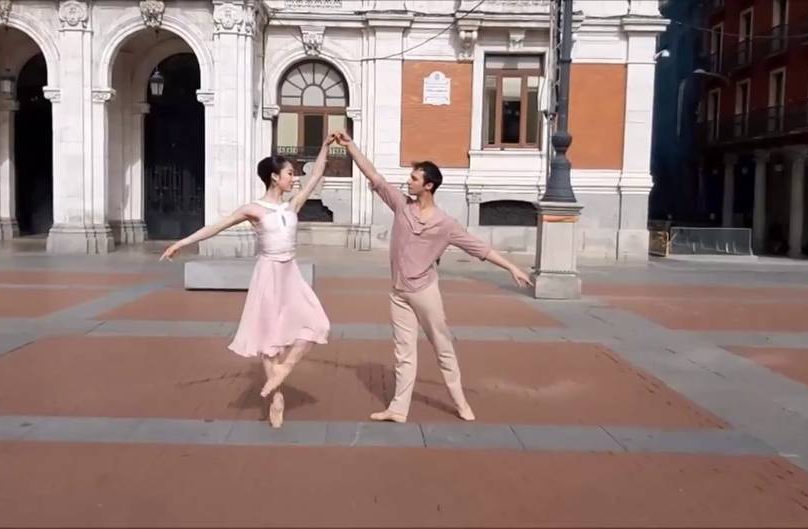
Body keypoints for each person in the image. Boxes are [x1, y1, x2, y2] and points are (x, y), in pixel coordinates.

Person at [333, 131, 533, 423]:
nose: (408, 181)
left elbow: (479, 248)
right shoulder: (402, 205)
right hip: (398, 293)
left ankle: (460, 402)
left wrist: (512, 267)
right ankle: (398, 409)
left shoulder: (446, 224)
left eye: (414, 179)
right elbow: (374, 175)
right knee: (403, 353)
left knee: (442, 346)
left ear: (428, 186)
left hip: (425, 293)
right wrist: (351, 146)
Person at [160, 135, 335, 428]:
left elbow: (316, 174)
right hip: (268, 274)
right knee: (270, 340)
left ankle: (282, 372)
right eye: (290, 173)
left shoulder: (292, 206)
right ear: (274, 177)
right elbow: (216, 227)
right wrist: (181, 243)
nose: (294, 178)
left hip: (290, 273)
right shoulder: (252, 209)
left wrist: (326, 146)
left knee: (319, 324)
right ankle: (276, 397)